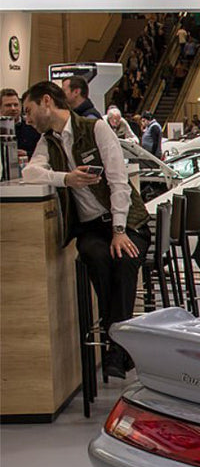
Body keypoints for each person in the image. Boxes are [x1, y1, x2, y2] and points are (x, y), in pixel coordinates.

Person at [20, 81, 150, 379]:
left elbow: (118, 182)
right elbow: (30, 172)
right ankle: (120, 346)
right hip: (90, 228)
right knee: (96, 258)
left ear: (46, 102)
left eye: (28, 110)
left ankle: (116, 348)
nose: (26, 119)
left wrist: (119, 230)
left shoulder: (96, 129)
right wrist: (66, 178)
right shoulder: (48, 142)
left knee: (124, 260)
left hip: (127, 222)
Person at [1, 87, 41, 157]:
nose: (13, 108)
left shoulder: (34, 127)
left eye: (16, 105)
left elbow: (44, 153)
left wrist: (27, 154)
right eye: (8, 105)